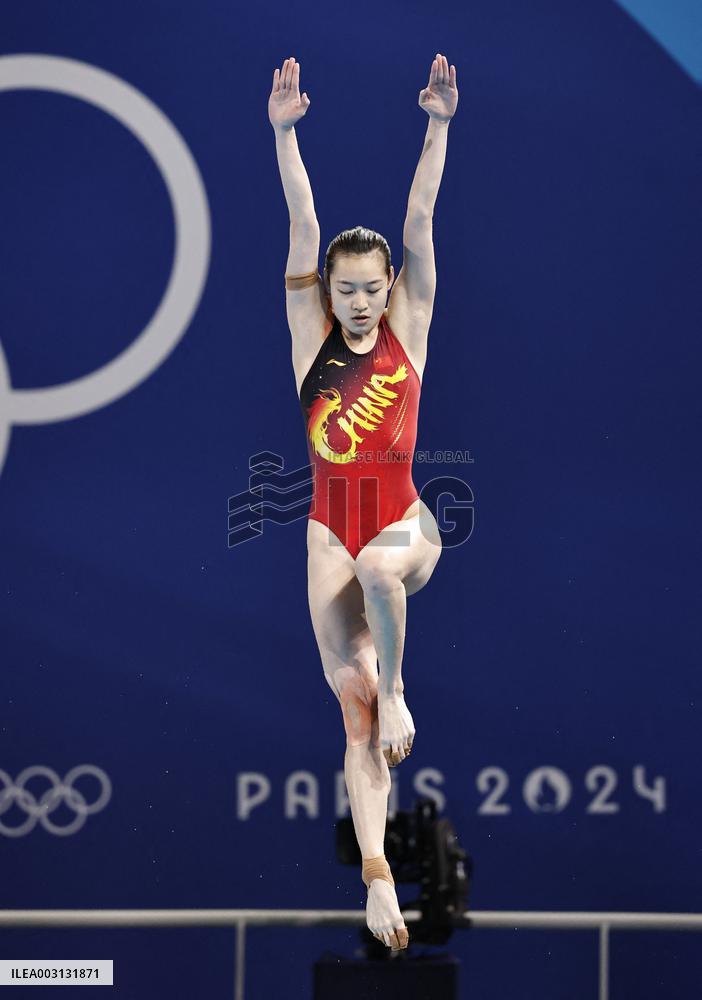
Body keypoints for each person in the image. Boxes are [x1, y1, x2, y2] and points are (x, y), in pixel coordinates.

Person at [269, 53, 458, 952]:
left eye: (369, 289)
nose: (354, 302)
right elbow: (302, 222)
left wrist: (438, 125)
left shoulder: (408, 326)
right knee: (354, 710)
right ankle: (378, 883)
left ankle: (400, 689)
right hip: (327, 534)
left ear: (391, 290)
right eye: (342, 288)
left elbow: (419, 218)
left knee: (383, 571)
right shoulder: (308, 332)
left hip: (404, 525)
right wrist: (284, 136)